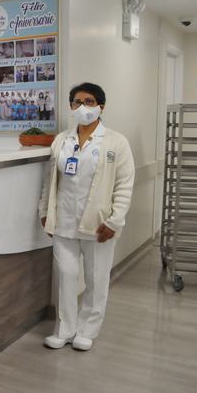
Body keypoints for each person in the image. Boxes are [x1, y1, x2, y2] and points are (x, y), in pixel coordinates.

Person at [39, 82, 135, 351]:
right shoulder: (62, 140)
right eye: (77, 102)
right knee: (66, 276)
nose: (83, 107)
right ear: (71, 106)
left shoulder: (116, 142)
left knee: (96, 279)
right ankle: (65, 329)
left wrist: (115, 221)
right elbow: (50, 179)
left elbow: (124, 185)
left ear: (101, 106)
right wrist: (45, 211)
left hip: (99, 224)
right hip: (64, 221)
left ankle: (87, 330)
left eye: (89, 101)